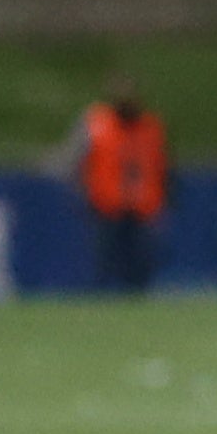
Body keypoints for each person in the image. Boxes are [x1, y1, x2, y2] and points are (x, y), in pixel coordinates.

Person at [58, 77, 169, 294]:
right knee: (104, 266)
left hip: (143, 208)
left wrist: (164, 202)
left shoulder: (151, 127)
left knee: (140, 268)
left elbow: (163, 167)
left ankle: (139, 312)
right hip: (107, 206)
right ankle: (102, 313)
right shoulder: (97, 124)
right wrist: (82, 193)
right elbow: (75, 162)